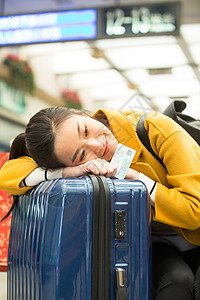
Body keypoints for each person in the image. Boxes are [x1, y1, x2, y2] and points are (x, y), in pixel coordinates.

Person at [0, 105, 200, 300]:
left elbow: (194, 212)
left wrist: (140, 181)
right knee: (177, 280)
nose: (97, 146)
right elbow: (8, 175)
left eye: (85, 130)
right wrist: (68, 172)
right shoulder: (68, 157)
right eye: (81, 155)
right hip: (156, 244)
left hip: (194, 233)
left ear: (80, 113)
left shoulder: (154, 129)